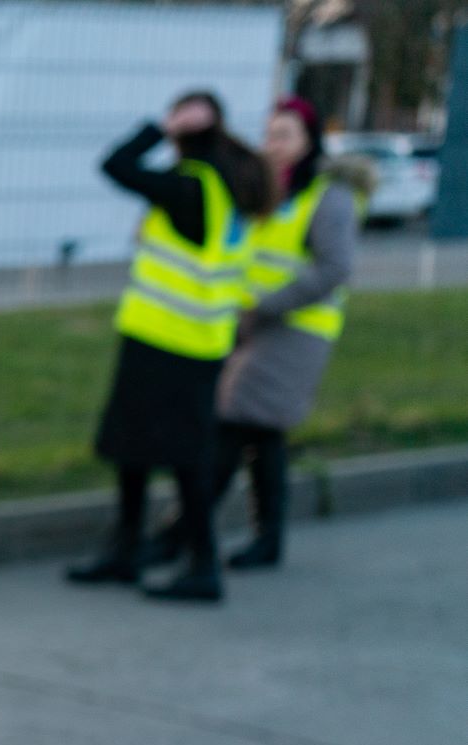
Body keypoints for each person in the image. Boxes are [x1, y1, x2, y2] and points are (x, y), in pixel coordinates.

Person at [68, 92, 274, 603]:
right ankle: (128, 551)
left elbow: (115, 165)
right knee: (142, 450)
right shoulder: (225, 189)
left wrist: (159, 127)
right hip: (200, 343)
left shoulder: (190, 186)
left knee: (179, 459)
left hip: (166, 340)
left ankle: (201, 566)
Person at [149, 97, 362, 572]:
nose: (274, 145)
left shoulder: (327, 197)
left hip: (297, 330)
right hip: (250, 326)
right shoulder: (268, 189)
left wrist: (263, 305)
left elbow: (334, 268)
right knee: (261, 434)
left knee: (231, 424)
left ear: (310, 141)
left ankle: (182, 535)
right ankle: (265, 540)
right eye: (269, 135)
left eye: (285, 135)